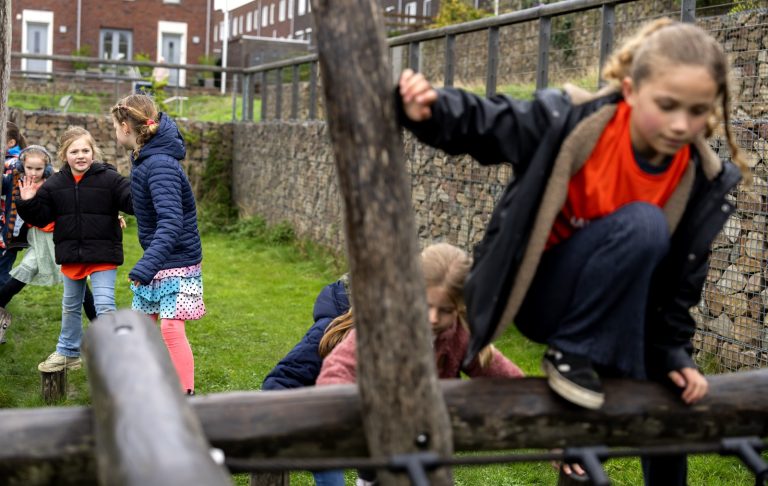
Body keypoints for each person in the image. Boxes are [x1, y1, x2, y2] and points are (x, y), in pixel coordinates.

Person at [396, 18, 745, 485]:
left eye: (698, 110)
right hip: (544, 298)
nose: (681, 124)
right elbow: (497, 122)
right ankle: (573, 358)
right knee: (643, 224)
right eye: (667, 106)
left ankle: (584, 430)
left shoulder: (697, 175)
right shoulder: (576, 121)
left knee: (658, 399)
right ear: (630, 90)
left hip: (613, 309)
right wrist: (434, 108)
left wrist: (673, 353)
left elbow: (678, 282)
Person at [316, 243, 525, 486]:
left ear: (459, 307)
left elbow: (505, 375)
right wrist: (338, 412)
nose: (433, 318)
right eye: (426, 306)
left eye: (445, 310)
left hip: (431, 449)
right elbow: (340, 367)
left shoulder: (457, 335)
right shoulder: (383, 325)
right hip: (380, 449)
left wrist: (542, 414)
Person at [16, 127, 133, 372]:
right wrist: (26, 202)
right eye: (74, 151)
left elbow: (129, 200)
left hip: (102, 254)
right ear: (64, 155)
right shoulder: (55, 185)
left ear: (93, 153)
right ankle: (68, 352)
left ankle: (116, 355)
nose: (80, 155)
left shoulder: (109, 179)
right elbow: (41, 217)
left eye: (85, 150)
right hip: (72, 255)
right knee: (70, 306)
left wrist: (141, 186)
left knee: (104, 305)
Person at [110, 93, 204, 395]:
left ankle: (184, 394)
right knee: (143, 325)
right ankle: (146, 384)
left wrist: (146, 266)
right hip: (160, 258)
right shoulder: (145, 158)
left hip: (177, 260)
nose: (114, 132)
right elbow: (145, 204)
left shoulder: (159, 164)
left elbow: (171, 222)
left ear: (126, 127)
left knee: (170, 328)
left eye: (114, 126)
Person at [0, 145, 100, 344]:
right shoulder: (16, 181)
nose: (34, 173)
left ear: (46, 169)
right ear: (22, 166)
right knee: (25, 270)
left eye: (38, 169)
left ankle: (99, 324)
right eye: (29, 168)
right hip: (38, 238)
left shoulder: (54, 182)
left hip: (58, 237)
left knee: (77, 278)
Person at [0, 122, 29, 288]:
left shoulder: (14, 164)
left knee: (2, 271)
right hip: (7, 227)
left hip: (9, 228)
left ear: (10, 143)